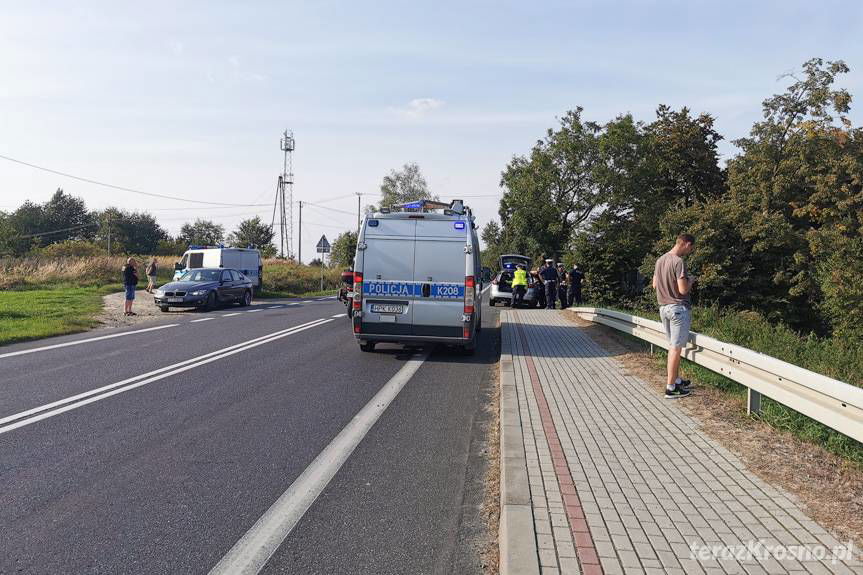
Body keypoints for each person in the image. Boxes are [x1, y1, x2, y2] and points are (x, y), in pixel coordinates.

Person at [653, 234, 696, 399]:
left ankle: (676, 380)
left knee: (672, 346)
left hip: (663, 308)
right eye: (690, 248)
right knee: (676, 348)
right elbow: (683, 290)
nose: (690, 251)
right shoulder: (678, 262)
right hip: (678, 308)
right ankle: (671, 387)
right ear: (686, 244)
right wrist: (690, 280)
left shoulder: (660, 260)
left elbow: (654, 284)